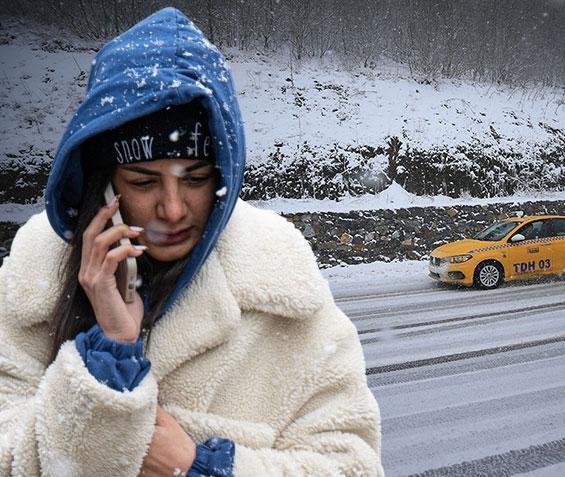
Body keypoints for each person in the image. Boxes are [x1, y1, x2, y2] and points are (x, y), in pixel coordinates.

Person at [0, 7, 383, 476]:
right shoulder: (31, 280)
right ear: (103, 183)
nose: (174, 209)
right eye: (143, 182)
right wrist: (108, 359)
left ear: (222, 175)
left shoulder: (282, 284)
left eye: (196, 179)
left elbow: (354, 465)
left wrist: (202, 467)